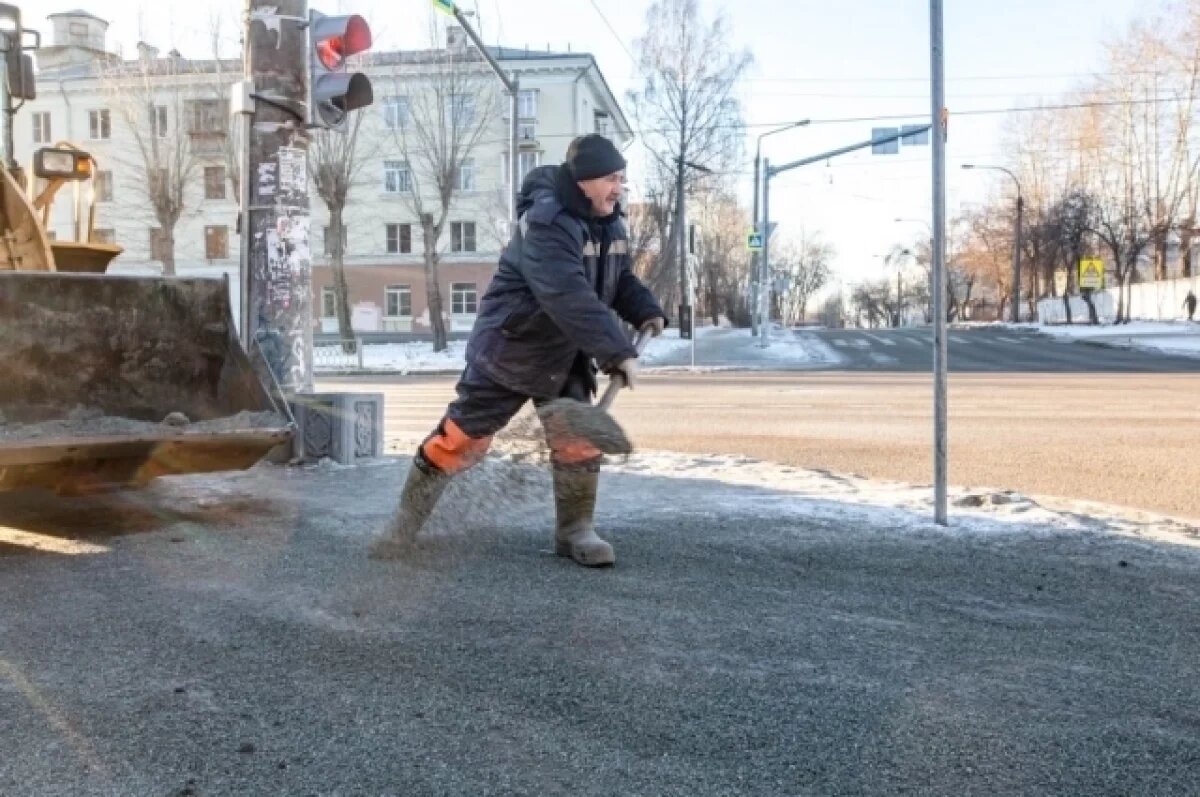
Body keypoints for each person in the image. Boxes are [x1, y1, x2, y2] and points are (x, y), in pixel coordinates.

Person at [370, 134, 666, 567]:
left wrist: (646, 310)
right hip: (512, 348)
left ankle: (575, 531)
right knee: (460, 441)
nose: (619, 188)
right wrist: (616, 350)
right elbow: (566, 292)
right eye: (611, 178)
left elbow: (616, 280)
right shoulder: (546, 223)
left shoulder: (610, 223)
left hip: (566, 352)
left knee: (579, 442)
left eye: (622, 179)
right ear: (584, 180)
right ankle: (403, 524)